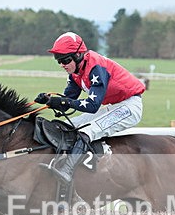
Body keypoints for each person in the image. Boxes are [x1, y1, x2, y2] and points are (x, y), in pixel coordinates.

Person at [35, 32, 145, 184]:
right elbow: (68, 102)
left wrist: (62, 102)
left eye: (65, 60)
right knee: (68, 125)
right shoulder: (75, 72)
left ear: (79, 55)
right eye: (58, 61)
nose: (62, 64)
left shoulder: (96, 67)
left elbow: (92, 106)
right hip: (112, 106)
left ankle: (67, 171)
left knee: (86, 132)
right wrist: (50, 101)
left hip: (129, 107)